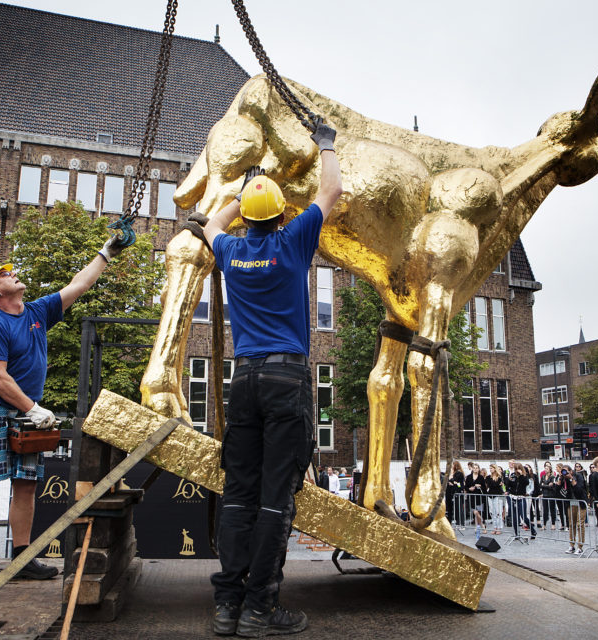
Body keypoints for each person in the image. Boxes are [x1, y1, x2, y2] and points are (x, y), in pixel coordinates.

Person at [205, 121, 342, 638]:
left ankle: (227, 607)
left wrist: (242, 193)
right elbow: (332, 189)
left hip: (242, 382)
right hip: (286, 377)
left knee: (238, 493)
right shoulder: (292, 244)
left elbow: (210, 224)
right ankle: (260, 610)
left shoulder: (233, 253)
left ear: (248, 217)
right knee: (274, 499)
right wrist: (325, 142)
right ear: (283, 212)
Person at [0, 236, 125, 589]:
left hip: (24, 414)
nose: (12, 273)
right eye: (5, 274)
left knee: (25, 485)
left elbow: (78, 285)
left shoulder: (35, 312)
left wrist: (105, 253)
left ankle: (22, 558)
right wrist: (34, 408)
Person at [505, 462, 536, 539]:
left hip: (521, 498)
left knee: (524, 516)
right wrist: (509, 483)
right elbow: (509, 485)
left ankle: (532, 530)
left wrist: (522, 475)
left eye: (518, 469)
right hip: (513, 497)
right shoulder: (513, 475)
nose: (517, 470)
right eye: (516, 469)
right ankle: (516, 534)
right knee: (515, 517)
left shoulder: (525, 476)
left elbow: (526, 483)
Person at [562, 467, 587, 555]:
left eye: (566, 471)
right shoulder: (564, 479)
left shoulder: (578, 476)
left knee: (580, 524)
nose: (565, 473)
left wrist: (571, 479)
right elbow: (559, 490)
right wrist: (561, 479)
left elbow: (579, 490)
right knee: (571, 524)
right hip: (571, 503)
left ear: (571, 471)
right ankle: (571, 545)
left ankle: (580, 547)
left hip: (580, 502)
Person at [485, 465, 506, 535]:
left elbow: (495, 485)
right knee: (492, 512)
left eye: (491, 468)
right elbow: (490, 484)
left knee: (498, 512)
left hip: (497, 495)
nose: (490, 469)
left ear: (495, 469)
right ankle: (494, 527)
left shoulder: (499, 477)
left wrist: (496, 484)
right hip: (490, 495)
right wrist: (495, 483)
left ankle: (499, 527)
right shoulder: (488, 477)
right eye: (490, 468)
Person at [445, 461, 466, 527]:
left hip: (457, 493)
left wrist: (454, 483)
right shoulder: (449, 474)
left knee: (458, 508)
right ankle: (449, 522)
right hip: (449, 492)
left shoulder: (459, 474)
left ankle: (460, 523)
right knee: (449, 508)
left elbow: (460, 485)